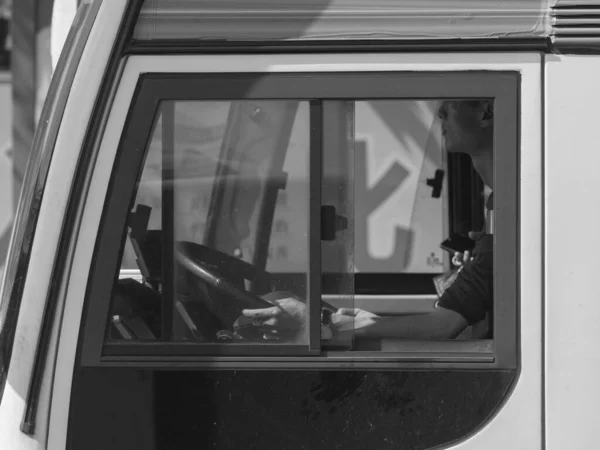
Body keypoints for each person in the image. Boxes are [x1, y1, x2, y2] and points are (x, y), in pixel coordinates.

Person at [240, 99, 495, 342]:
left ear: (486, 112)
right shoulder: (499, 207)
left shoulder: (509, 212)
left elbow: (443, 327)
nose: (440, 112)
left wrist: (319, 322)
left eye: (453, 102)